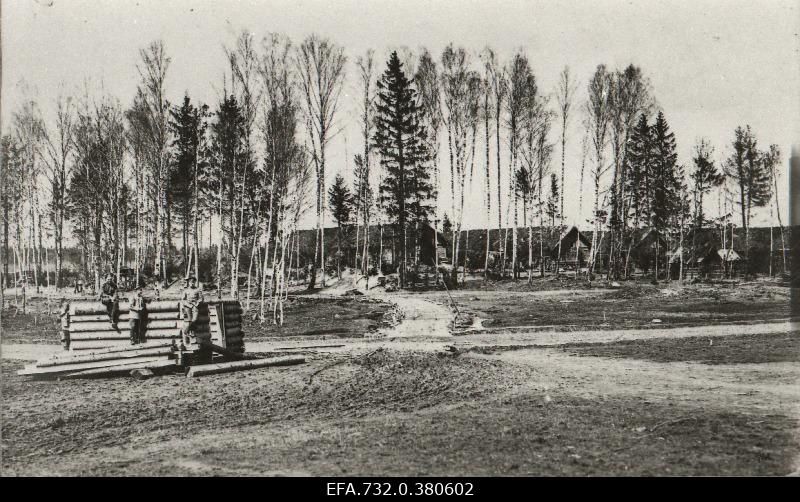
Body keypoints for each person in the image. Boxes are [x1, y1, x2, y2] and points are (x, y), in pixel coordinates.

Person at [181, 275, 204, 340]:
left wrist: (197, 303)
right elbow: (183, 300)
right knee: (190, 320)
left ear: (195, 282)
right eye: (191, 282)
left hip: (195, 306)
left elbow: (201, 298)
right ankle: (192, 334)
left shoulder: (198, 289)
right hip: (188, 307)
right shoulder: (185, 290)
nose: (192, 283)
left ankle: (186, 331)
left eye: (193, 282)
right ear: (189, 283)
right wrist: (188, 305)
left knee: (194, 319)